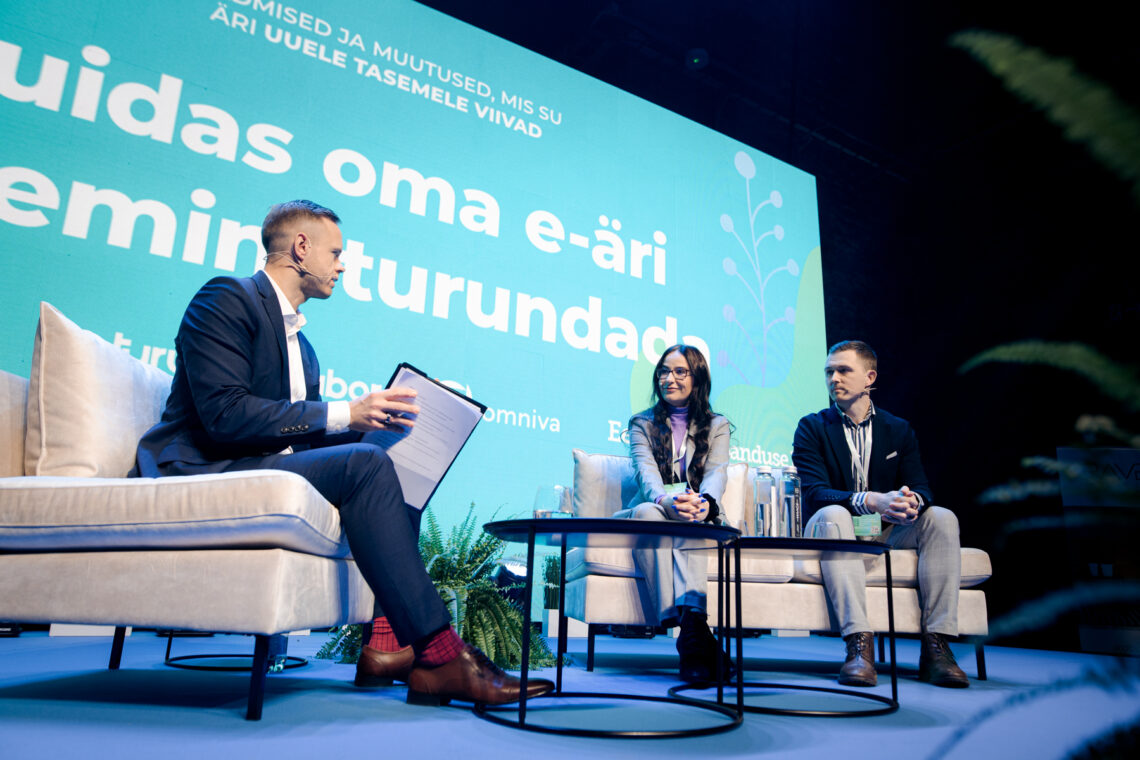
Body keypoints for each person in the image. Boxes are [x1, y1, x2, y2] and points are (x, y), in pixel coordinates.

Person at [131, 200, 553, 706]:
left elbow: (296, 441)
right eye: (336, 252)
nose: (343, 265)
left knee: (388, 460)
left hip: (254, 464)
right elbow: (225, 416)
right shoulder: (226, 298)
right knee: (365, 461)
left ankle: (385, 649)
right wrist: (345, 416)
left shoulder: (303, 349)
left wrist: (376, 429)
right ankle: (441, 656)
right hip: (202, 466)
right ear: (300, 248)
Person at [792, 340, 969, 688]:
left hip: (886, 532)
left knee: (942, 517)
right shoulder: (812, 427)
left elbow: (921, 486)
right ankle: (859, 645)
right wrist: (871, 500)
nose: (834, 378)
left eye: (843, 370)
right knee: (834, 514)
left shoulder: (898, 429)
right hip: (833, 528)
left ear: (869, 377)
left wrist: (911, 501)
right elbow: (815, 493)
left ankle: (937, 647)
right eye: (829, 371)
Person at [615, 344, 732, 683]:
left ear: (697, 378)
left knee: (693, 520)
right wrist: (667, 502)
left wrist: (706, 503)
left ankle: (691, 637)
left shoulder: (717, 425)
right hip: (656, 507)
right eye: (664, 371)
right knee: (648, 514)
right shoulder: (642, 423)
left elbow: (717, 472)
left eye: (679, 371)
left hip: (696, 510)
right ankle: (693, 628)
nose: (669, 378)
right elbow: (645, 472)